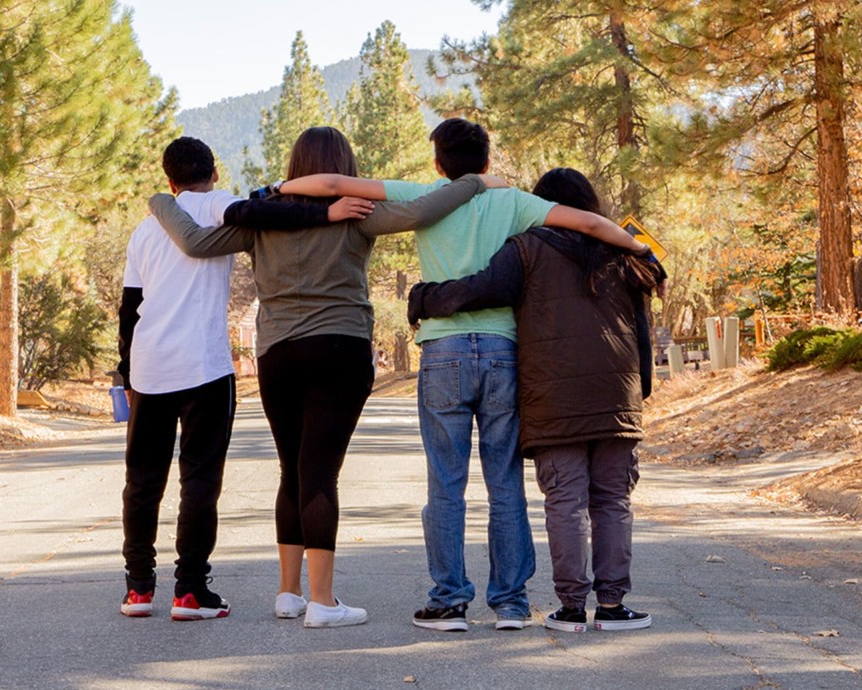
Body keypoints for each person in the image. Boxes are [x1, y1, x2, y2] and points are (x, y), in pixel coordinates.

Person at [269, 118, 650, 632]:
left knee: (445, 485)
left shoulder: (427, 195)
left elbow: (333, 185)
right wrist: (639, 248)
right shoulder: (514, 202)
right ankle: (511, 603)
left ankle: (449, 601)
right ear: (487, 162)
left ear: (438, 164)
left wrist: (278, 188)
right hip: (501, 352)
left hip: (442, 351)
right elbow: (585, 222)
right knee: (505, 483)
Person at [146, 126, 493, 628]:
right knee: (320, 474)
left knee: (293, 470)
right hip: (340, 348)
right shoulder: (355, 209)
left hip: (277, 353)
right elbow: (423, 210)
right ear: (342, 167)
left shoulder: (265, 217)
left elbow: (196, 242)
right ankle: (324, 603)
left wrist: (162, 200)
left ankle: (289, 593)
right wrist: (475, 183)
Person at [118, 136, 371, 621]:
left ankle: (138, 588)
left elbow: (129, 309)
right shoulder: (220, 204)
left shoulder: (145, 229)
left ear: (169, 180)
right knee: (199, 480)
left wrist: (126, 370)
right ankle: (190, 592)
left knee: (142, 480)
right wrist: (328, 214)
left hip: (149, 365)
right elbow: (274, 216)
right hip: (205, 367)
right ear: (214, 172)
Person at [408, 167, 664, 632]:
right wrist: (640, 388)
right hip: (616, 397)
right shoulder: (623, 252)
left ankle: (570, 608)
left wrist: (424, 299)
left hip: (554, 397)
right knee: (612, 500)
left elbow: (477, 290)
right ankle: (612, 605)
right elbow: (641, 327)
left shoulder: (526, 250)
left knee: (565, 500)